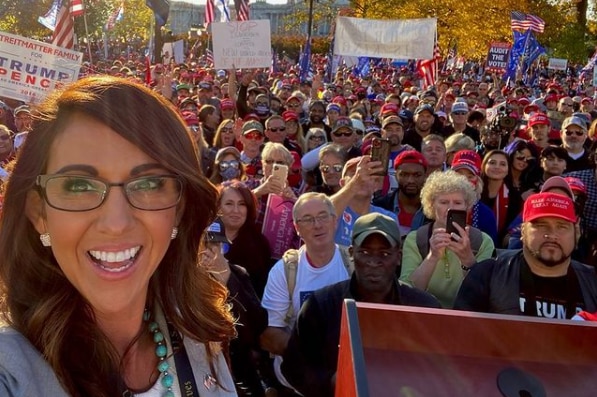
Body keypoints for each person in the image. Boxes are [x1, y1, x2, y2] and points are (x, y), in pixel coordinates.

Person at [0, 76, 236, 396]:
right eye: (79, 186)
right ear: (39, 213)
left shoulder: (201, 342)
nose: (116, 223)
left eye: (149, 185)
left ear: (178, 210)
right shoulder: (10, 371)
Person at [280, 213, 440, 397]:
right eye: (364, 252)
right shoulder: (322, 305)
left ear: (398, 257)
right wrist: (333, 382)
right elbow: (295, 366)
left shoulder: (423, 309)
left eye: (384, 254)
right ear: (351, 253)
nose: (373, 262)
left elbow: (442, 372)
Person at [260, 193, 350, 396]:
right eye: (308, 219)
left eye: (323, 216)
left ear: (335, 221)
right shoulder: (284, 270)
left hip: (344, 368)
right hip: (297, 375)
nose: (317, 225)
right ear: (296, 228)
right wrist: (314, 356)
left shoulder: (352, 264)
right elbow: (269, 335)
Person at [454, 192, 597, 319]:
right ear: (523, 231)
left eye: (562, 226)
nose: (552, 235)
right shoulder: (487, 275)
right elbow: (461, 338)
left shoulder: (593, 282)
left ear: (576, 233)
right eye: (540, 225)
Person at [400, 170, 495, 308]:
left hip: (467, 318)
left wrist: (467, 259)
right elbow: (407, 292)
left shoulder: (482, 241)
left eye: (457, 202)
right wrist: (432, 257)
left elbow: (484, 294)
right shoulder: (415, 239)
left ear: (467, 207)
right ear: (431, 205)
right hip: (425, 316)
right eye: (443, 202)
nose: (450, 208)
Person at [202, 218, 268, 397]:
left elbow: (257, 326)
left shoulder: (237, 273)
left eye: (217, 245)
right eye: (204, 244)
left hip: (238, 370)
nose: (210, 252)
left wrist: (226, 279)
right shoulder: (178, 281)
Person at [218, 181, 272, 297]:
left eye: (242, 204)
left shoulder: (259, 244)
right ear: (218, 207)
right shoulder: (204, 239)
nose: (236, 210)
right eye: (229, 204)